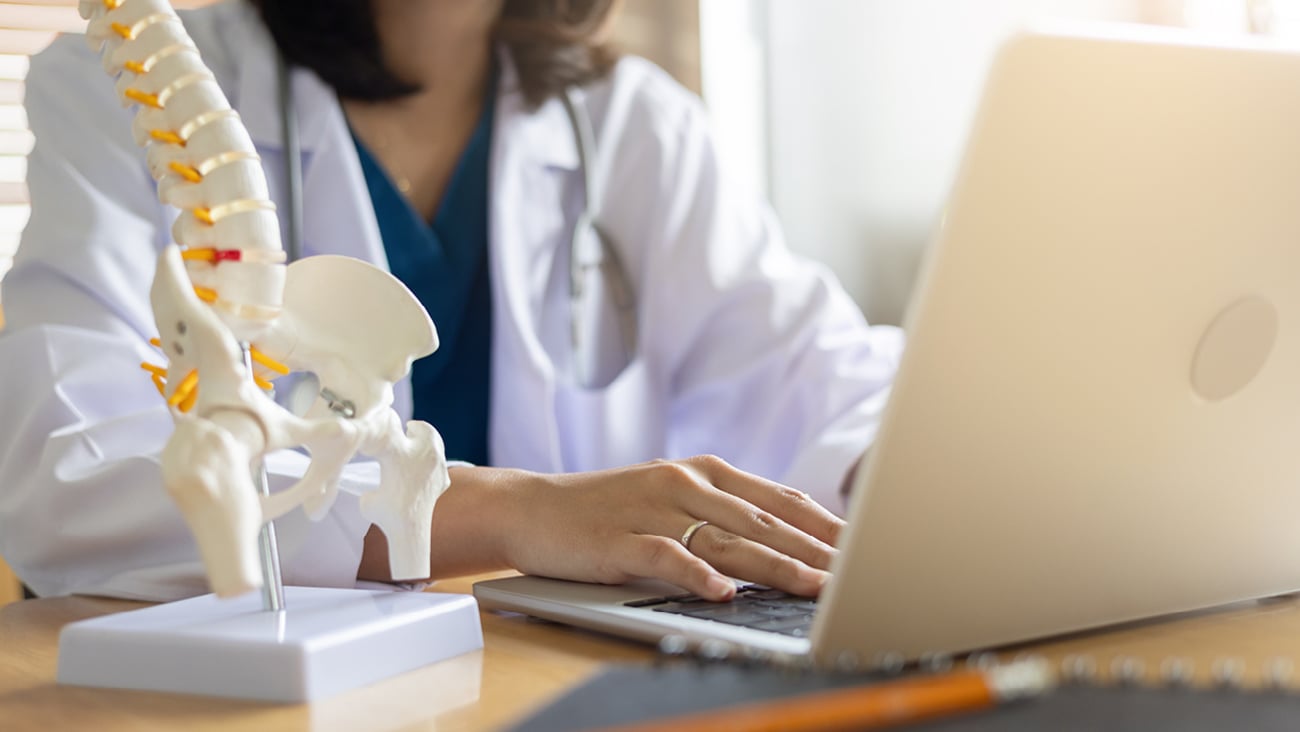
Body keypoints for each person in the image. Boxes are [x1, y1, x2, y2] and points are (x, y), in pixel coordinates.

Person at [0, 0, 902, 603]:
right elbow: (68, 474)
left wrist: (911, 475)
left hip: (567, 686)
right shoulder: (136, 95)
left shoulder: (631, 125)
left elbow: (815, 375)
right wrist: (511, 512)